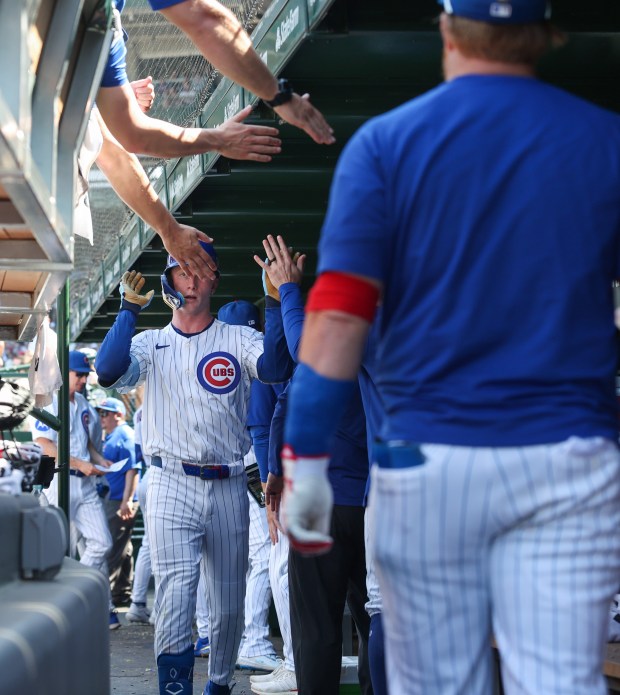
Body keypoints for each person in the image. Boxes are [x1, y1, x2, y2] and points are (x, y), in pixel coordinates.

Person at [279, 1, 620, 694]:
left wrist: (304, 467)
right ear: (544, 31)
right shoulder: (605, 139)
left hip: (429, 461)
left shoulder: (384, 144)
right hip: (567, 455)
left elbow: (337, 324)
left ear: (446, 27)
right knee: (559, 680)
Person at [95, 240, 295, 695]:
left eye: (199, 271)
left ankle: (219, 684)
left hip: (225, 482)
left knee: (226, 607)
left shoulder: (237, 337)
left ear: (213, 280)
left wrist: (274, 299)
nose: (190, 280)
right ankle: (175, 687)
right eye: (181, 271)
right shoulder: (151, 342)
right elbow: (107, 370)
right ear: (169, 280)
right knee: (177, 593)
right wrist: (127, 310)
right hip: (168, 480)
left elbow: (278, 366)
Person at [30, 351, 120, 630]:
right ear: (64, 373)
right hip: (60, 479)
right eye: (78, 374)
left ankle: (74, 595)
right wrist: (81, 462)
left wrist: (99, 460)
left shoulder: (83, 402)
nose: (83, 378)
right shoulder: (51, 401)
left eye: (84, 374)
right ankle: (72, 608)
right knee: (61, 547)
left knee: (102, 543)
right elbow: (44, 443)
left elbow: (89, 442)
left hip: (85, 482)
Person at [97, 397, 141, 607]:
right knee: (124, 549)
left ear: (118, 414)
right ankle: (122, 594)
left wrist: (128, 500)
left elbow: (133, 470)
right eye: (100, 413)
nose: (101, 417)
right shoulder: (112, 435)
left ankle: (105, 601)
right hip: (113, 497)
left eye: (105, 413)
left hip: (119, 500)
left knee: (112, 549)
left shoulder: (125, 434)